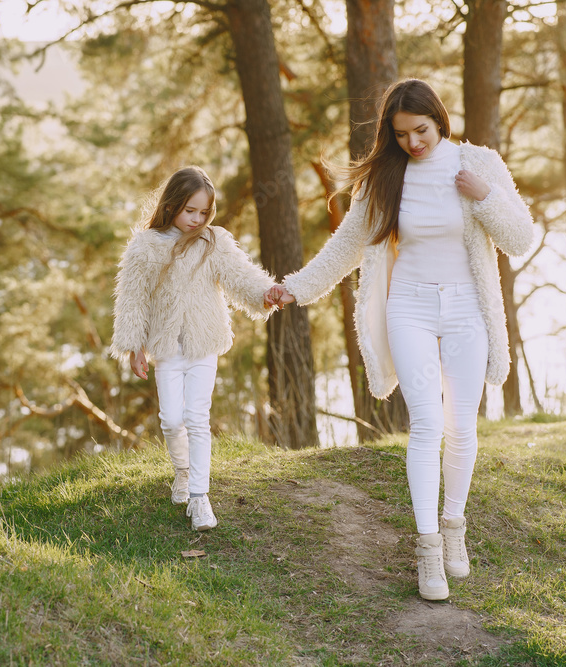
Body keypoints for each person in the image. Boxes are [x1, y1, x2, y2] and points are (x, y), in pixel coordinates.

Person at [266, 79, 534, 600]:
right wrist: (294, 289)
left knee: (460, 425)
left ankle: (454, 528)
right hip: (407, 306)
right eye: (402, 134)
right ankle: (428, 548)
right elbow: (344, 248)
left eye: (421, 130)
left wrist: (486, 198)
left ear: (440, 120)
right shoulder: (387, 178)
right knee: (426, 424)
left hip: (465, 309)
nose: (414, 143)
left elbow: (520, 238)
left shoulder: (479, 164)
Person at [110, 166, 279, 531]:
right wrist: (134, 346)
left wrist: (264, 294)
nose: (197, 219)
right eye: (191, 211)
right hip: (166, 347)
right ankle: (183, 473)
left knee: (196, 418)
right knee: (172, 420)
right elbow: (132, 299)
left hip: (204, 344)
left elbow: (240, 277)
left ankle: (201, 498)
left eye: (204, 212)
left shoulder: (213, 242)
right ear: (172, 205)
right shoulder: (146, 246)